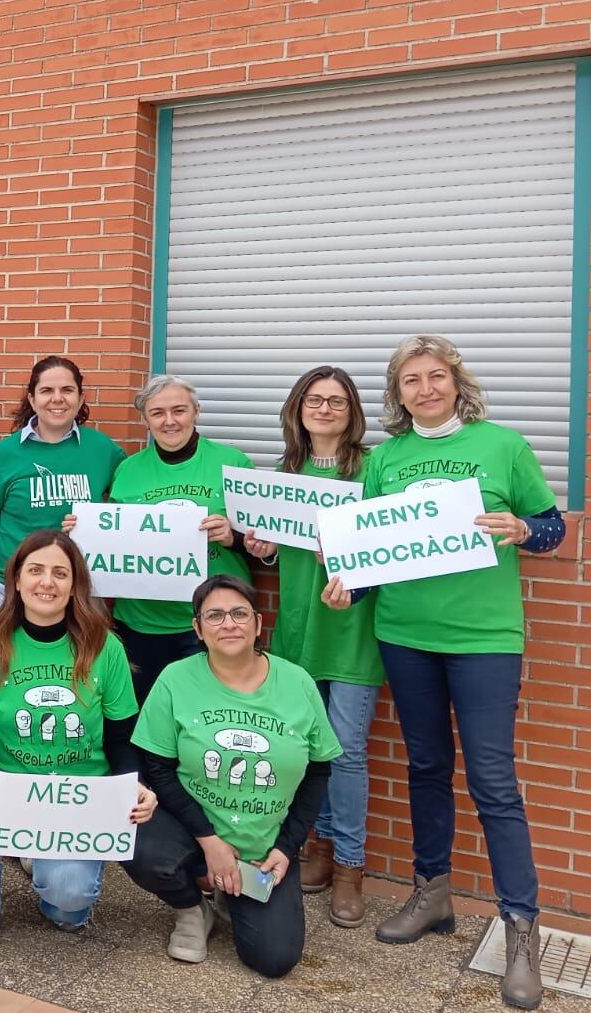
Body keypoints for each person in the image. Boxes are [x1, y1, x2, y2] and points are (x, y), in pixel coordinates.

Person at [323, 335, 562, 1010]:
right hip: (404, 633)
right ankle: (433, 893)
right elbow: (372, 553)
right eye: (410, 380)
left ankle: (521, 928)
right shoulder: (387, 459)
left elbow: (552, 529)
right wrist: (349, 586)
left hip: (485, 636)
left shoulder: (503, 446)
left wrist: (521, 530)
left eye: (436, 377)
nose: (425, 389)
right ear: (396, 394)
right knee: (426, 764)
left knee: (491, 779)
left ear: (457, 383)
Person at [0, 530, 153, 963]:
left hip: (78, 797)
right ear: (17, 581)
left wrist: (131, 786)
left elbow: (121, 739)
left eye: (60, 573)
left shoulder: (104, 647)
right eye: (36, 570)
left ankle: (42, 863)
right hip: (8, 791)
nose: (48, 582)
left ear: (75, 584)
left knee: (69, 905)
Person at [123, 575, 341, 978]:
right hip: (193, 829)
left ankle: (231, 891)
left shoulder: (297, 683)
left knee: (275, 960)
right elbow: (158, 768)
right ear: (197, 628)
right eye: (216, 615)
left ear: (258, 624)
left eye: (240, 614)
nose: (229, 624)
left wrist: (288, 847)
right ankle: (192, 908)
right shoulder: (175, 679)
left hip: (263, 841)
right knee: (136, 841)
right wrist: (209, 841)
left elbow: (318, 772)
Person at [240, 366, 381, 929]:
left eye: (337, 401)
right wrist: (262, 548)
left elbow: (392, 544)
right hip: (298, 629)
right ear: (297, 409)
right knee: (303, 751)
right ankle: (317, 848)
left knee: (345, 753)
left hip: (352, 631)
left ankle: (350, 866)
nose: (325, 409)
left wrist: (350, 556)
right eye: (314, 400)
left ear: (353, 412)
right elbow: (271, 557)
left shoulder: (376, 470)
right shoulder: (282, 475)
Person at [108, 374, 255, 702]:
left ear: (196, 411)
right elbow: (113, 539)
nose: (169, 421)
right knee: (147, 721)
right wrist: (83, 530)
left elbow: (263, 544)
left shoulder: (232, 463)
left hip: (215, 620)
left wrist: (233, 536)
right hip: (141, 622)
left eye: (179, 410)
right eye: (158, 413)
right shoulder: (128, 470)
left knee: (211, 717)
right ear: (145, 419)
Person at [0, 356, 125, 618]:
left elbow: (127, 511)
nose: (57, 398)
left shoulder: (103, 450)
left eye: (67, 390)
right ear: (32, 399)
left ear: (81, 397)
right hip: (8, 591)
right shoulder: (6, 453)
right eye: (46, 391)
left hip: (78, 590)